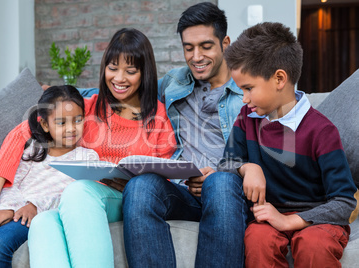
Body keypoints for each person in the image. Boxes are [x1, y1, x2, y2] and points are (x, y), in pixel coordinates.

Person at [0, 28, 176, 267]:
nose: (119, 78)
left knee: (79, 192)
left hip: (122, 199)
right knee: (43, 223)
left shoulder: (159, 120)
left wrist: (134, 184)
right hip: (70, 199)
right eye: (112, 68)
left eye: (131, 71)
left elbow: (162, 181)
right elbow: (24, 130)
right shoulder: (88, 106)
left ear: (145, 73)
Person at [109, 3, 259, 267]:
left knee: (220, 183)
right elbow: (129, 90)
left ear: (225, 43)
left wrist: (227, 171)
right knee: (140, 187)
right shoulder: (174, 82)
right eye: (188, 48)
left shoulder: (250, 91)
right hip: (184, 193)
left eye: (206, 46)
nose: (196, 56)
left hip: (229, 195)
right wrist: (60, 95)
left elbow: (269, 152)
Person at [221, 21, 358, 267]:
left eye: (249, 88)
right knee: (257, 238)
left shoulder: (322, 131)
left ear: (279, 79)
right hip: (268, 218)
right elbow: (226, 163)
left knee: (313, 245)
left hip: (317, 220)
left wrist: (290, 221)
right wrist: (247, 168)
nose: (244, 98)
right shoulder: (246, 119)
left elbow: (344, 202)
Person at [0, 85, 99, 268]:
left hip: (35, 215)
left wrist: (33, 206)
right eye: (62, 123)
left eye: (77, 120)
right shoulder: (34, 150)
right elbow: (12, 184)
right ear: (46, 125)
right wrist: (9, 209)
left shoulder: (87, 158)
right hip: (9, 206)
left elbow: (72, 197)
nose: (71, 129)